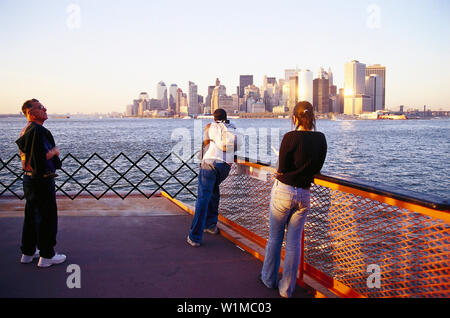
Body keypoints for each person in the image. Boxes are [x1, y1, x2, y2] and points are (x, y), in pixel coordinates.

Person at [260, 101, 327, 298]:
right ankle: (286, 289)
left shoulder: (290, 137)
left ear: (295, 118)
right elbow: (318, 167)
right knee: (294, 243)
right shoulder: (321, 138)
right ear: (312, 117)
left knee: (275, 238)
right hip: (304, 194)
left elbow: (281, 168)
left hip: (284, 191)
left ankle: (268, 278)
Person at [16, 99, 66, 268]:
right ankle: (47, 256)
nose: (45, 109)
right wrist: (54, 152)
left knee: (31, 216)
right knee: (47, 217)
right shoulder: (38, 130)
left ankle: (28, 253)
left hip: (29, 179)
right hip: (41, 180)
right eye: (40, 107)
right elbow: (38, 158)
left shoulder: (26, 131)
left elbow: (29, 157)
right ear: (30, 113)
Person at [187, 109, 242, 247]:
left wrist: (201, 158)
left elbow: (205, 143)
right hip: (225, 167)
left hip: (210, 163)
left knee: (202, 199)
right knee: (214, 192)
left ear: (214, 117)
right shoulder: (233, 127)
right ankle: (210, 225)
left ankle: (195, 237)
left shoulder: (210, 127)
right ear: (226, 117)